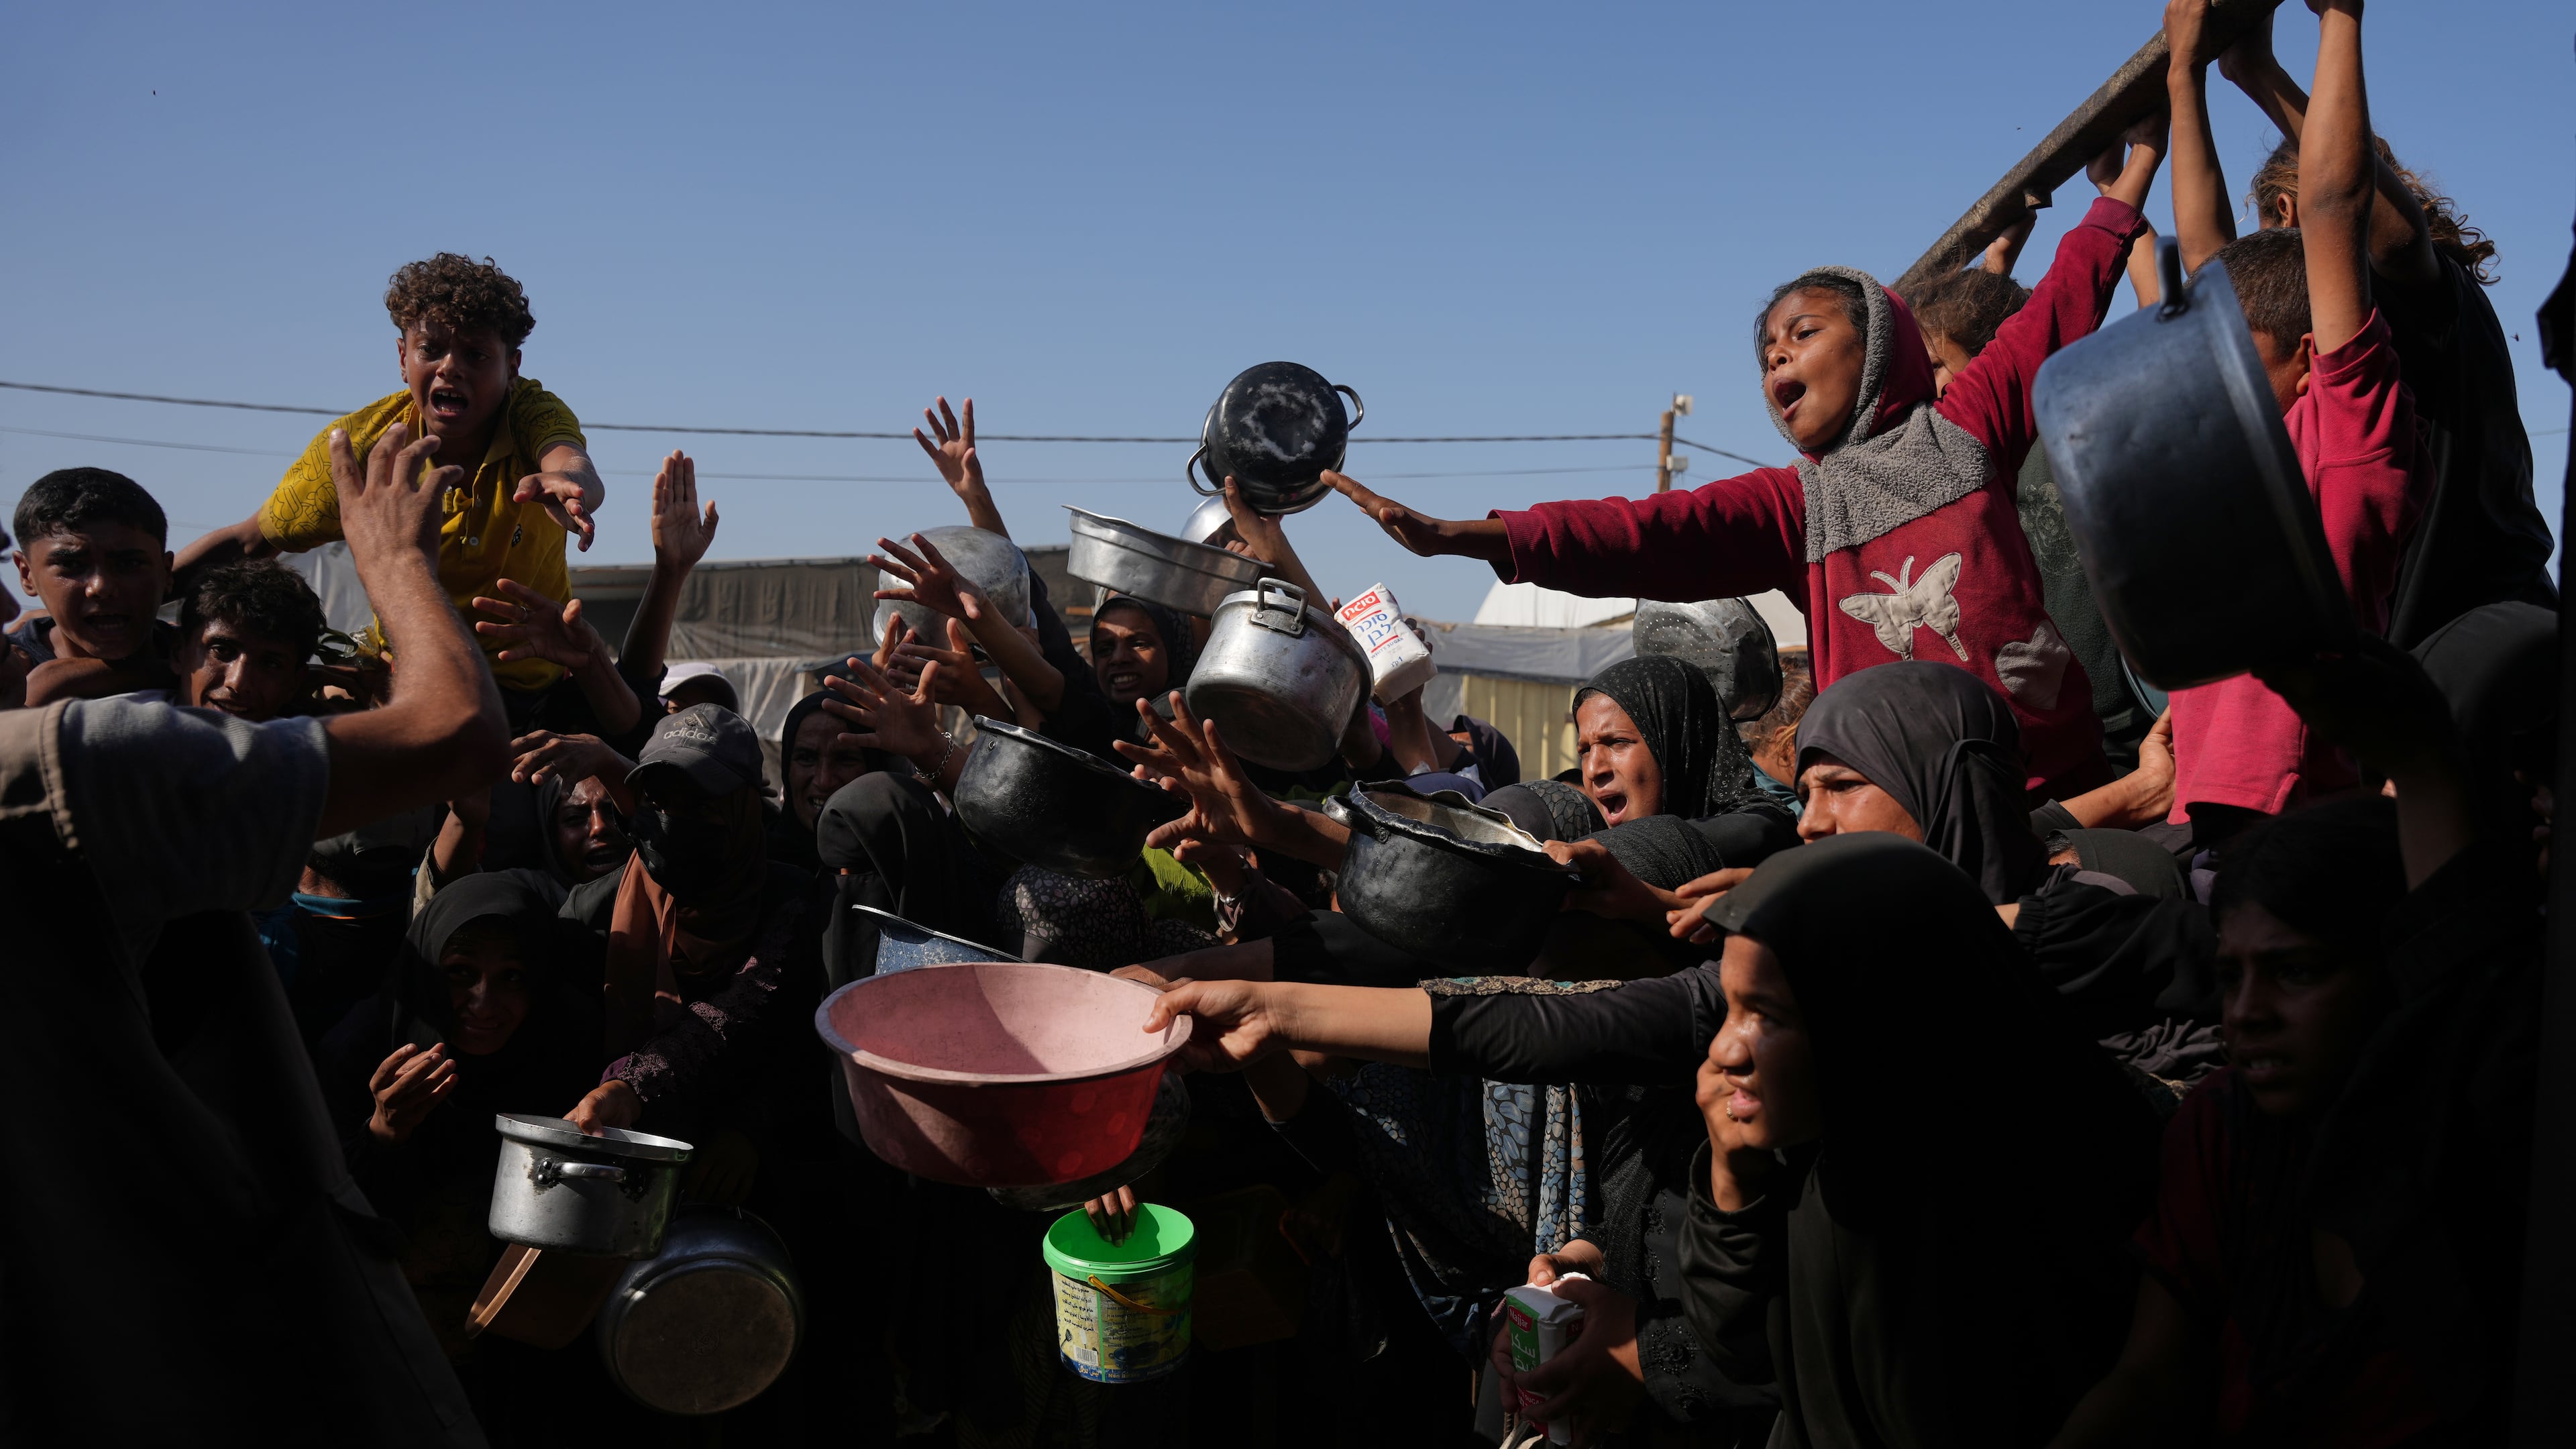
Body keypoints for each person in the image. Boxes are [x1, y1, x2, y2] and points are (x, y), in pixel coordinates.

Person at [1327, 138, 2166, 798]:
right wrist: (1475, 539)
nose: (1778, 360)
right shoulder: (1796, 506)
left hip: (2051, 779)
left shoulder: (1968, 424)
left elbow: (2060, 302)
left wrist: (2128, 180)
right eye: (1768, 351)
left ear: (1877, 344)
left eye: (1804, 334)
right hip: (1899, 803)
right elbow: (1641, 532)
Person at [0, 420, 508, 1441]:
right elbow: (460, 733)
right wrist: (396, 563)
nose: (95, 593)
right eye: (67, 569)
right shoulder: (72, 760)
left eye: (129, 566)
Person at [2053, 629, 2539, 1442]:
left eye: (2299, 973)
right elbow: (2151, 1374)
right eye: (2232, 976)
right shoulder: (2220, 1130)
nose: (2248, 1013)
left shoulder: (2481, 1126)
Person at [2159, 0, 2433, 843]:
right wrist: (2184, 74)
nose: (2209, 368)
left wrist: (2339, 19)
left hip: (2303, 817)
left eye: (2233, 349)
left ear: (2312, 355)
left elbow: (2330, 212)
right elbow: (2204, 259)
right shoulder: (2237, 443)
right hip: (2209, 816)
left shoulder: (2346, 434)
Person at [2204, 2, 2555, 647]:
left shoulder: (2420, 293)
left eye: (2265, 242)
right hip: (2426, 649)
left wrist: (2261, 73)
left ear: (2287, 210)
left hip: (2481, 633)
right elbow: (2211, 274)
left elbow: (2364, 223)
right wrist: (2190, 84)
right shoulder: (2367, 325)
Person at [1695, 660, 2218, 1083]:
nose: (1808, 825)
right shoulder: (1848, 940)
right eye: (1804, 795)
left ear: (1950, 790)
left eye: (1845, 786)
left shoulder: (2098, 913)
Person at [173, 253, 606, 715]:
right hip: (414, 686)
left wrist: (565, 483)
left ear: (512, 367)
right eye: (432, 349)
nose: (450, 368)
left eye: (476, 354)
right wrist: (142, 591)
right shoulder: (361, 449)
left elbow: (570, 460)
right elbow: (249, 541)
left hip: (530, 689)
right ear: (403, 357)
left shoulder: (531, 413)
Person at [317, 871, 600, 1360]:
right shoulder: (362, 1048)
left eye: (512, 977)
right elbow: (317, 1221)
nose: (483, 1004)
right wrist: (384, 1132)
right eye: (461, 972)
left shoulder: (563, 1054)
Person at [1898, 253, 2157, 767]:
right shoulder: (1957, 478)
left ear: (2002, 357)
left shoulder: (2073, 434)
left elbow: (2154, 326)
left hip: (2129, 726)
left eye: (1933, 369)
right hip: (2039, 741)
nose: (1924, 396)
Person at [557, 704, 816, 1145]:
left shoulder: (793, 901)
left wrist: (748, 1129)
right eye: (658, 802)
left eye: (698, 804)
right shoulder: (593, 915)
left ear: (744, 807)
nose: (674, 822)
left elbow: (764, 1030)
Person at [10, 466, 177, 704]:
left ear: (166, 571)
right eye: (71, 565)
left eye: (129, 563)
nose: (101, 587)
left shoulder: (223, 664)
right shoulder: (10, 675)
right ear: (27, 575)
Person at [161, 559, 327, 721]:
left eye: (270, 664)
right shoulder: (136, 730)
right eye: (222, 651)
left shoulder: (307, 745)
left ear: (294, 684)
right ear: (178, 652)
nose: (238, 683)